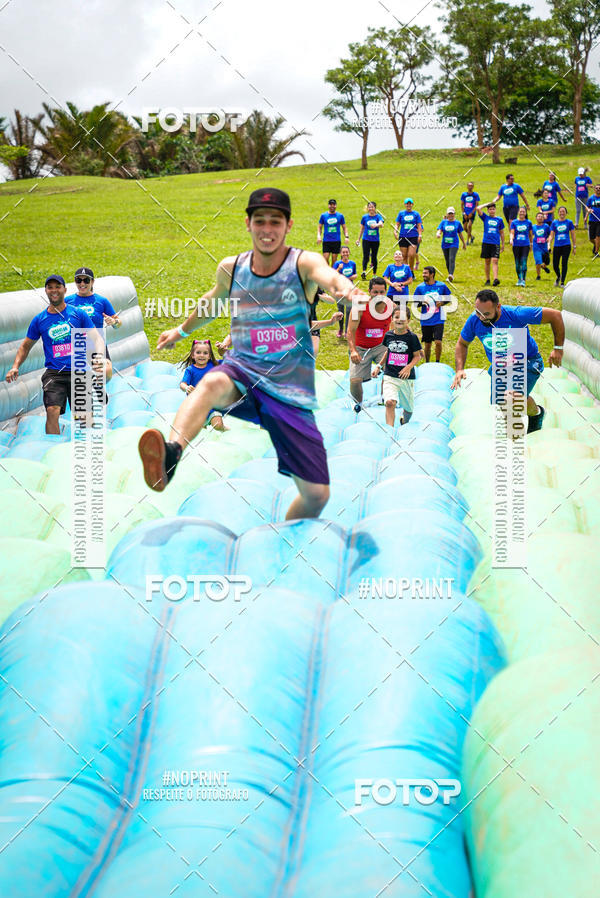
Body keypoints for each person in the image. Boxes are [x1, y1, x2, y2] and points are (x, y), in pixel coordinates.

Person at [137, 187, 368, 521]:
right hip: (243, 372)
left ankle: (288, 539)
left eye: (275, 221)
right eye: (260, 221)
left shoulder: (303, 263)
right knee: (212, 382)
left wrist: (347, 290)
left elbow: (330, 279)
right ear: (248, 224)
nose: (267, 229)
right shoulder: (232, 268)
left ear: (288, 225)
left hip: (289, 390)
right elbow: (211, 303)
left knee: (317, 495)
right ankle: (170, 455)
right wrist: (181, 332)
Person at [5, 275, 110, 434]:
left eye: (57, 287)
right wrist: (15, 366)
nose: (54, 290)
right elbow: (25, 346)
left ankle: (87, 441)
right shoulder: (40, 320)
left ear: (64, 290)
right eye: (50, 287)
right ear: (46, 291)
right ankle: (52, 443)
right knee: (52, 410)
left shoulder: (78, 314)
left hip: (79, 370)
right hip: (54, 373)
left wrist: (100, 356)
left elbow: (97, 338)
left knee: (84, 417)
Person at [452, 288, 565, 433]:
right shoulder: (474, 320)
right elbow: (462, 343)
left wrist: (558, 348)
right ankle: (532, 417)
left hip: (528, 361)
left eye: (486, 314)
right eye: (478, 312)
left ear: (498, 307)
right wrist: (459, 369)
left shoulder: (516, 314)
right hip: (501, 366)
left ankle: (524, 426)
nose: (481, 318)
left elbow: (555, 315)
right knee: (502, 402)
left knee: (510, 397)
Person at [347, 276, 393, 412]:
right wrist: (353, 350)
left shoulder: (391, 306)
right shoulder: (359, 307)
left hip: (381, 346)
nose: (379, 295)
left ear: (386, 292)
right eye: (375, 292)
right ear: (369, 291)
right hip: (361, 347)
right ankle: (358, 403)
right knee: (355, 380)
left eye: (382, 292)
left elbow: (401, 324)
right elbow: (350, 331)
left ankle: (386, 399)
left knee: (392, 371)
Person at [372, 306, 423, 427]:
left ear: (408, 320)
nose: (399, 320)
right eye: (396, 317)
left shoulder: (412, 337)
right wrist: (379, 366)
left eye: (403, 318)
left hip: (406, 377)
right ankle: (389, 430)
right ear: (392, 319)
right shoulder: (388, 335)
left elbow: (418, 356)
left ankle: (404, 421)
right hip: (390, 375)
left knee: (409, 409)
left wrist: (408, 367)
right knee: (390, 402)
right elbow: (388, 351)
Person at [179, 338, 226, 431]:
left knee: (218, 425)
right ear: (193, 355)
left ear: (209, 355)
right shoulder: (190, 370)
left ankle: (225, 431)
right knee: (201, 431)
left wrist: (222, 352)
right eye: (198, 352)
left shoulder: (213, 365)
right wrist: (187, 388)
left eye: (205, 353)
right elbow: (182, 384)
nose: (202, 355)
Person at [413, 265, 452, 363]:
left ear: (432, 274)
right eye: (423, 273)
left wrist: (442, 303)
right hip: (426, 320)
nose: (423, 275)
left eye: (425, 273)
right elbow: (415, 303)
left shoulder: (441, 286)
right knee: (427, 344)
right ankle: (427, 363)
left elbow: (449, 298)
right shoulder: (420, 287)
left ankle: (437, 362)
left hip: (438, 319)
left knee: (438, 342)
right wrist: (423, 302)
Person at [476, 201, 505, 286]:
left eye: (493, 209)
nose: (492, 211)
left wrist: (503, 244)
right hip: (486, 242)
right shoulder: (485, 218)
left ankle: (495, 279)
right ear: (488, 210)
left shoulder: (499, 220)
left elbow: (502, 232)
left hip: (495, 243)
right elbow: (478, 208)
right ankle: (487, 279)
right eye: (490, 209)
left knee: (495, 260)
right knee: (487, 261)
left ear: (495, 210)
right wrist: (487, 204)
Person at [436, 206, 466, 282]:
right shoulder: (444, 222)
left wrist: (464, 243)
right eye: (449, 214)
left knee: (451, 258)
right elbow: (440, 229)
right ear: (447, 214)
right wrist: (438, 233)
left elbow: (460, 233)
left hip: (454, 244)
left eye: (452, 213)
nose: (450, 215)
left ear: (454, 214)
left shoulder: (457, 223)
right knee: (447, 260)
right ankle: (450, 275)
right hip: (445, 244)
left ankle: (451, 274)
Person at [333, 245, 357, 338]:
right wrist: (339, 269)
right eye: (343, 252)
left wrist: (350, 278)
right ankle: (340, 329)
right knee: (341, 311)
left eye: (347, 252)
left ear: (349, 253)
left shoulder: (352, 263)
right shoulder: (337, 263)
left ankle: (347, 331)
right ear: (341, 253)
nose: (345, 254)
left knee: (349, 311)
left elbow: (355, 275)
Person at [548, 207, 576, 287]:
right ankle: (558, 276)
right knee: (555, 265)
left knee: (564, 263)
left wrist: (574, 246)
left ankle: (562, 282)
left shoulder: (569, 222)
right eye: (560, 211)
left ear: (566, 213)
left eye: (563, 211)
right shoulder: (554, 223)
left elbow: (573, 234)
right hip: (557, 245)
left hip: (566, 245)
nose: (562, 213)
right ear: (558, 213)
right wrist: (549, 243)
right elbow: (551, 235)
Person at [356, 201, 384, 278]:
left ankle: (374, 274)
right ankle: (364, 271)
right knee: (366, 256)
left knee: (374, 257)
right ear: (368, 208)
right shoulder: (364, 217)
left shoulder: (378, 216)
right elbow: (362, 229)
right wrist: (358, 239)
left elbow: (381, 224)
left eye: (372, 207)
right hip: (366, 239)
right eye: (369, 207)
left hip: (375, 240)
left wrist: (376, 225)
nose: (371, 208)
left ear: (375, 208)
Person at [394, 198, 423, 271]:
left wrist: (420, 235)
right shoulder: (401, 213)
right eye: (407, 204)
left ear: (412, 204)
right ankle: (406, 272)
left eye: (410, 204)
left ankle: (411, 270)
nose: (408, 205)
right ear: (405, 204)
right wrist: (395, 231)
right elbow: (397, 224)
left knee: (412, 255)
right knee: (404, 256)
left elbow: (419, 225)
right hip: (403, 236)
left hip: (413, 236)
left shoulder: (416, 214)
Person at [317, 199, 348, 266]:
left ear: (336, 206)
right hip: (326, 240)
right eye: (330, 205)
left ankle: (332, 270)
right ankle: (327, 269)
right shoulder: (323, 215)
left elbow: (344, 227)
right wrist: (319, 236)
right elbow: (319, 227)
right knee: (325, 258)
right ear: (328, 206)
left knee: (334, 259)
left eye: (333, 205)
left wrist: (346, 236)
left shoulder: (340, 216)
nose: (332, 206)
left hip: (336, 240)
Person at [509, 207, 533, 287]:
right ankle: (519, 279)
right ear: (518, 212)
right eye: (520, 211)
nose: (522, 213)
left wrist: (531, 244)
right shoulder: (514, 222)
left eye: (523, 211)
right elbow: (512, 232)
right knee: (517, 263)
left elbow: (530, 234)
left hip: (525, 245)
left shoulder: (528, 222)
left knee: (524, 262)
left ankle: (523, 280)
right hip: (516, 245)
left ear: (525, 213)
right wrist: (511, 239)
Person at [531, 211, 552, 280]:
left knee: (547, 261)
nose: (540, 218)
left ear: (543, 218)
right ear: (536, 218)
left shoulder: (546, 226)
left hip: (544, 246)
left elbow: (550, 234)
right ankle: (538, 276)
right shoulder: (533, 227)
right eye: (538, 216)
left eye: (541, 217)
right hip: (536, 246)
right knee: (538, 261)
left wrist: (548, 238)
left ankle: (544, 266)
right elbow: (530, 235)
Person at [585, 183, 600, 256]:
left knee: (598, 236)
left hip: (599, 221)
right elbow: (587, 207)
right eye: (597, 188)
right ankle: (597, 244)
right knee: (591, 238)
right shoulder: (591, 198)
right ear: (594, 189)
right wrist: (587, 213)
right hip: (592, 220)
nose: (598, 190)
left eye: (599, 188)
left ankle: (596, 252)